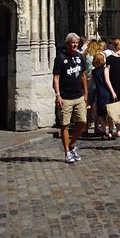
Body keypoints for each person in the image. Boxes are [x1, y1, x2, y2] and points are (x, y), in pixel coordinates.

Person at [52, 32, 88, 164]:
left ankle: (72, 144)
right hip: (65, 97)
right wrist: (58, 95)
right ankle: (67, 152)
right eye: (72, 43)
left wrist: (86, 93)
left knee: (82, 121)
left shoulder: (79, 56)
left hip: (78, 95)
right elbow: (56, 78)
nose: (75, 45)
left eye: (76, 43)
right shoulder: (60, 58)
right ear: (67, 44)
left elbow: (83, 75)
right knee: (65, 125)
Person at [91, 52, 118, 138]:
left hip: (99, 93)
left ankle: (103, 132)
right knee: (109, 113)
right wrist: (113, 92)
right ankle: (110, 131)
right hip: (106, 93)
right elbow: (107, 81)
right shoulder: (105, 69)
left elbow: (91, 82)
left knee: (101, 114)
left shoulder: (93, 72)